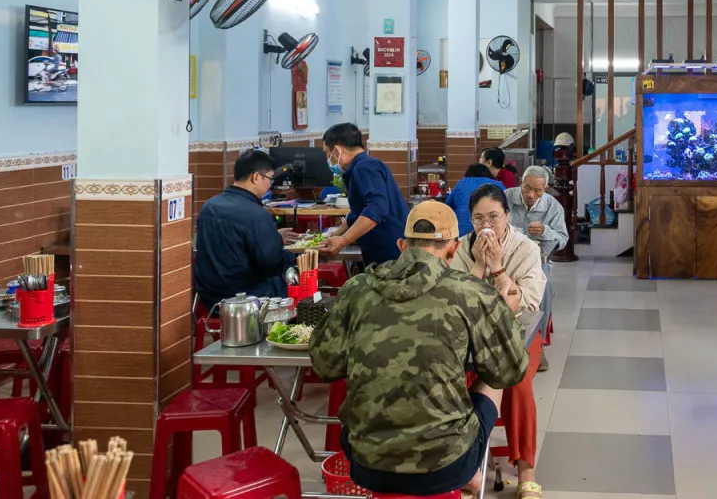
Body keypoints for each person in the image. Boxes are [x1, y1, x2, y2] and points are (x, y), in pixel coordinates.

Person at [309, 201, 528, 497]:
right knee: (492, 376)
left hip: (366, 461)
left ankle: (468, 474)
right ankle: (471, 474)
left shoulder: (357, 288)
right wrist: (503, 315)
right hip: (446, 464)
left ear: (402, 245)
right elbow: (510, 370)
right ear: (453, 249)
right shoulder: (472, 292)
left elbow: (325, 365)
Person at [451, 185, 546, 499]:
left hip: (517, 334)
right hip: (469, 338)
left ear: (507, 216)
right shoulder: (461, 248)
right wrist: (478, 266)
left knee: (517, 382)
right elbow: (455, 304)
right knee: (449, 378)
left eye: (494, 216)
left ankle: (526, 472)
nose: (486, 225)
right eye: (479, 218)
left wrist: (497, 267)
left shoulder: (526, 249)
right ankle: (466, 464)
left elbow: (525, 304)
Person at [194, 149, 296, 306]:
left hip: (210, 298)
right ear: (256, 177)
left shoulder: (209, 206)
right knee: (294, 276)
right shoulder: (257, 214)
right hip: (247, 298)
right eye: (270, 179)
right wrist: (295, 255)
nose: (270, 185)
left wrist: (273, 237)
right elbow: (271, 265)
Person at [318, 123, 410, 266]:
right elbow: (357, 214)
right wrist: (335, 235)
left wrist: (343, 240)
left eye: (327, 153)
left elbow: (377, 208)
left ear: (337, 150)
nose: (328, 159)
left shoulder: (364, 167)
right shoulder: (361, 166)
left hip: (390, 251)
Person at [506, 164, 569, 372]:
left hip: (537, 261)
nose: (531, 195)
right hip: (505, 259)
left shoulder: (552, 206)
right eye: (527, 188)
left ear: (546, 188)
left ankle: (536, 345)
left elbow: (563, 239)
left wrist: (545, 231)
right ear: (520, 183)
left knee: (545, 288)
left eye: (537, 191)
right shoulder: (506, 197)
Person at [446, 163, 505, 236]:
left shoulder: (462, 183)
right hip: (493, 232)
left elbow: (447, 207)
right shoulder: (498, 184)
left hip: (461, 233)